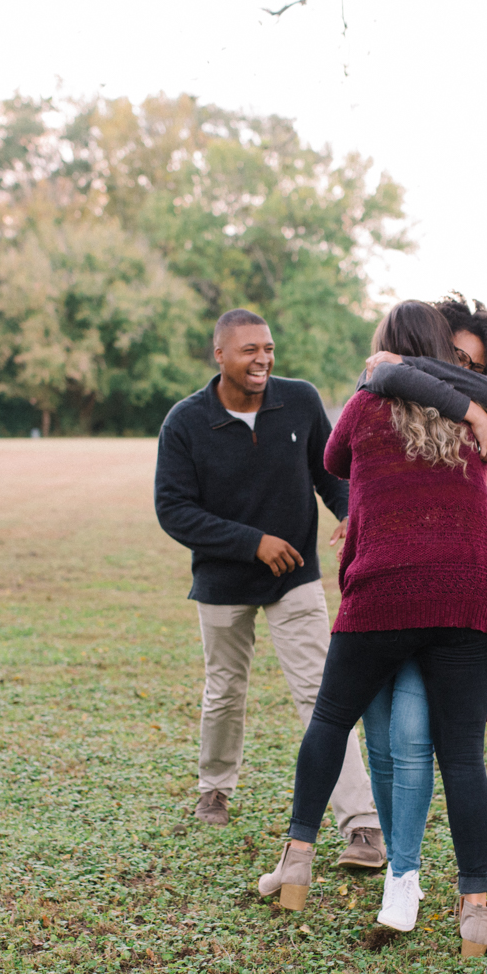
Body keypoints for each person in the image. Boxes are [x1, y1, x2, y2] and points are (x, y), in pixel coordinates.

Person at [252, 301, 487, 957]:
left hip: (385, 590)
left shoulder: (363, 407)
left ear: (387, 352)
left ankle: (296, 861)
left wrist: (378, 378)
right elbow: (480, 398)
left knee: (329, 721)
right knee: (462, 755)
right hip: (470, 592)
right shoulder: (476, 425)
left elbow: (333, 459)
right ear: (442, 353)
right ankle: (475, 908)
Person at [153, 308, 385, 867]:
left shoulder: (299, 400)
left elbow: (331, 470)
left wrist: (350, 510)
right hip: (223, 580)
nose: (262, 359)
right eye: (249, 350)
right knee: (225, 691)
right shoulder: (185, 422)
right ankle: (215, 788)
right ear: (220, 355)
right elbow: (173, 509)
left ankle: (363, 827)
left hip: (295, 578)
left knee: (322, 695)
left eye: (268, 349)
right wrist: (252, 542)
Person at [352, 296, 487, 933]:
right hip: (381, 581)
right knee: (381, 736)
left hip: (447, 594)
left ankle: (408, 876)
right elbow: (350, 454)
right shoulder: (385, 393)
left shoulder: (472, 418)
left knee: (414, 736)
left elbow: (398, 372)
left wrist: (471, 405)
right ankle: (402, 871)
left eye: (470, 366)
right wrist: (356, 516)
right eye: (450, 356)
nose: (455, 371)